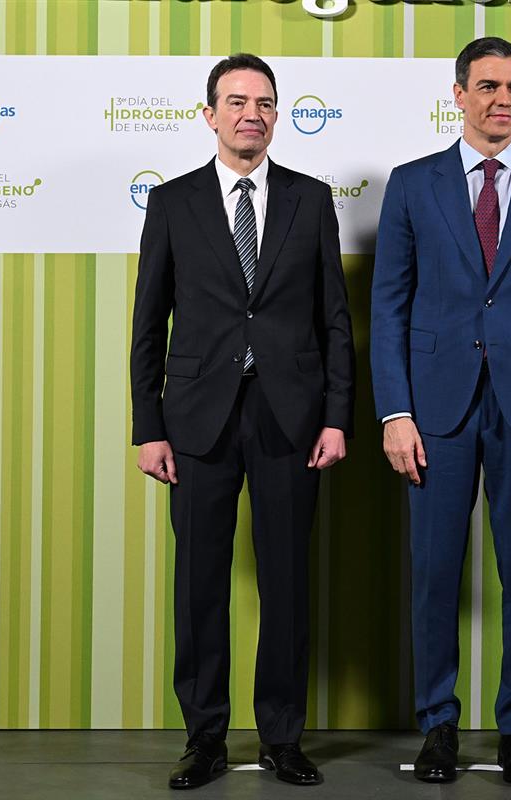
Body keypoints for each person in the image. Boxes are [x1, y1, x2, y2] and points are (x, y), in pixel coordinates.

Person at [370, 37, 511, 786]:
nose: (504, 98)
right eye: (489, 85)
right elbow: (389, 306)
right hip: (433, 408)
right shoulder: (411, 183)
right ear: (459, 94)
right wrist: (394, 411)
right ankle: (437, 725)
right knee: (434, 572)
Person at [130, 53, 354, 790]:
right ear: (210, 115)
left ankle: (282, 739)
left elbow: (335, 322)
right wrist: (147, 426)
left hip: (291, 418)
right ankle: (203, 739)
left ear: (276, 115)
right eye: (235, 101)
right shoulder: (171, 202)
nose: (250, 113)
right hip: (195, 421)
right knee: (199, 586)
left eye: (263, 102)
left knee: (287, 583)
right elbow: (148, 322)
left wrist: (336, 417)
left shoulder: (310, 198)